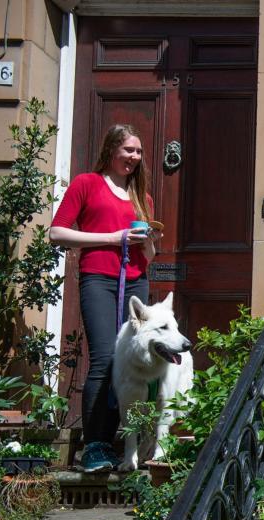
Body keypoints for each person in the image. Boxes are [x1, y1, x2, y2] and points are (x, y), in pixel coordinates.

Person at [49, 124, 162, 472]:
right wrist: (114, 238)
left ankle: (125, 442)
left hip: (136, 282)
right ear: (112, 149)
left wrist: (146, 243)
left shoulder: (142, 197)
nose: (134, 157)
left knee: (132, 361)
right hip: (99, 279)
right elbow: (56, 232)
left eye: (139, 152)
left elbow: (151, 255)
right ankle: (94, 445)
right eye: (129, 150)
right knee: (104, 357)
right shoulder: (87, 184)